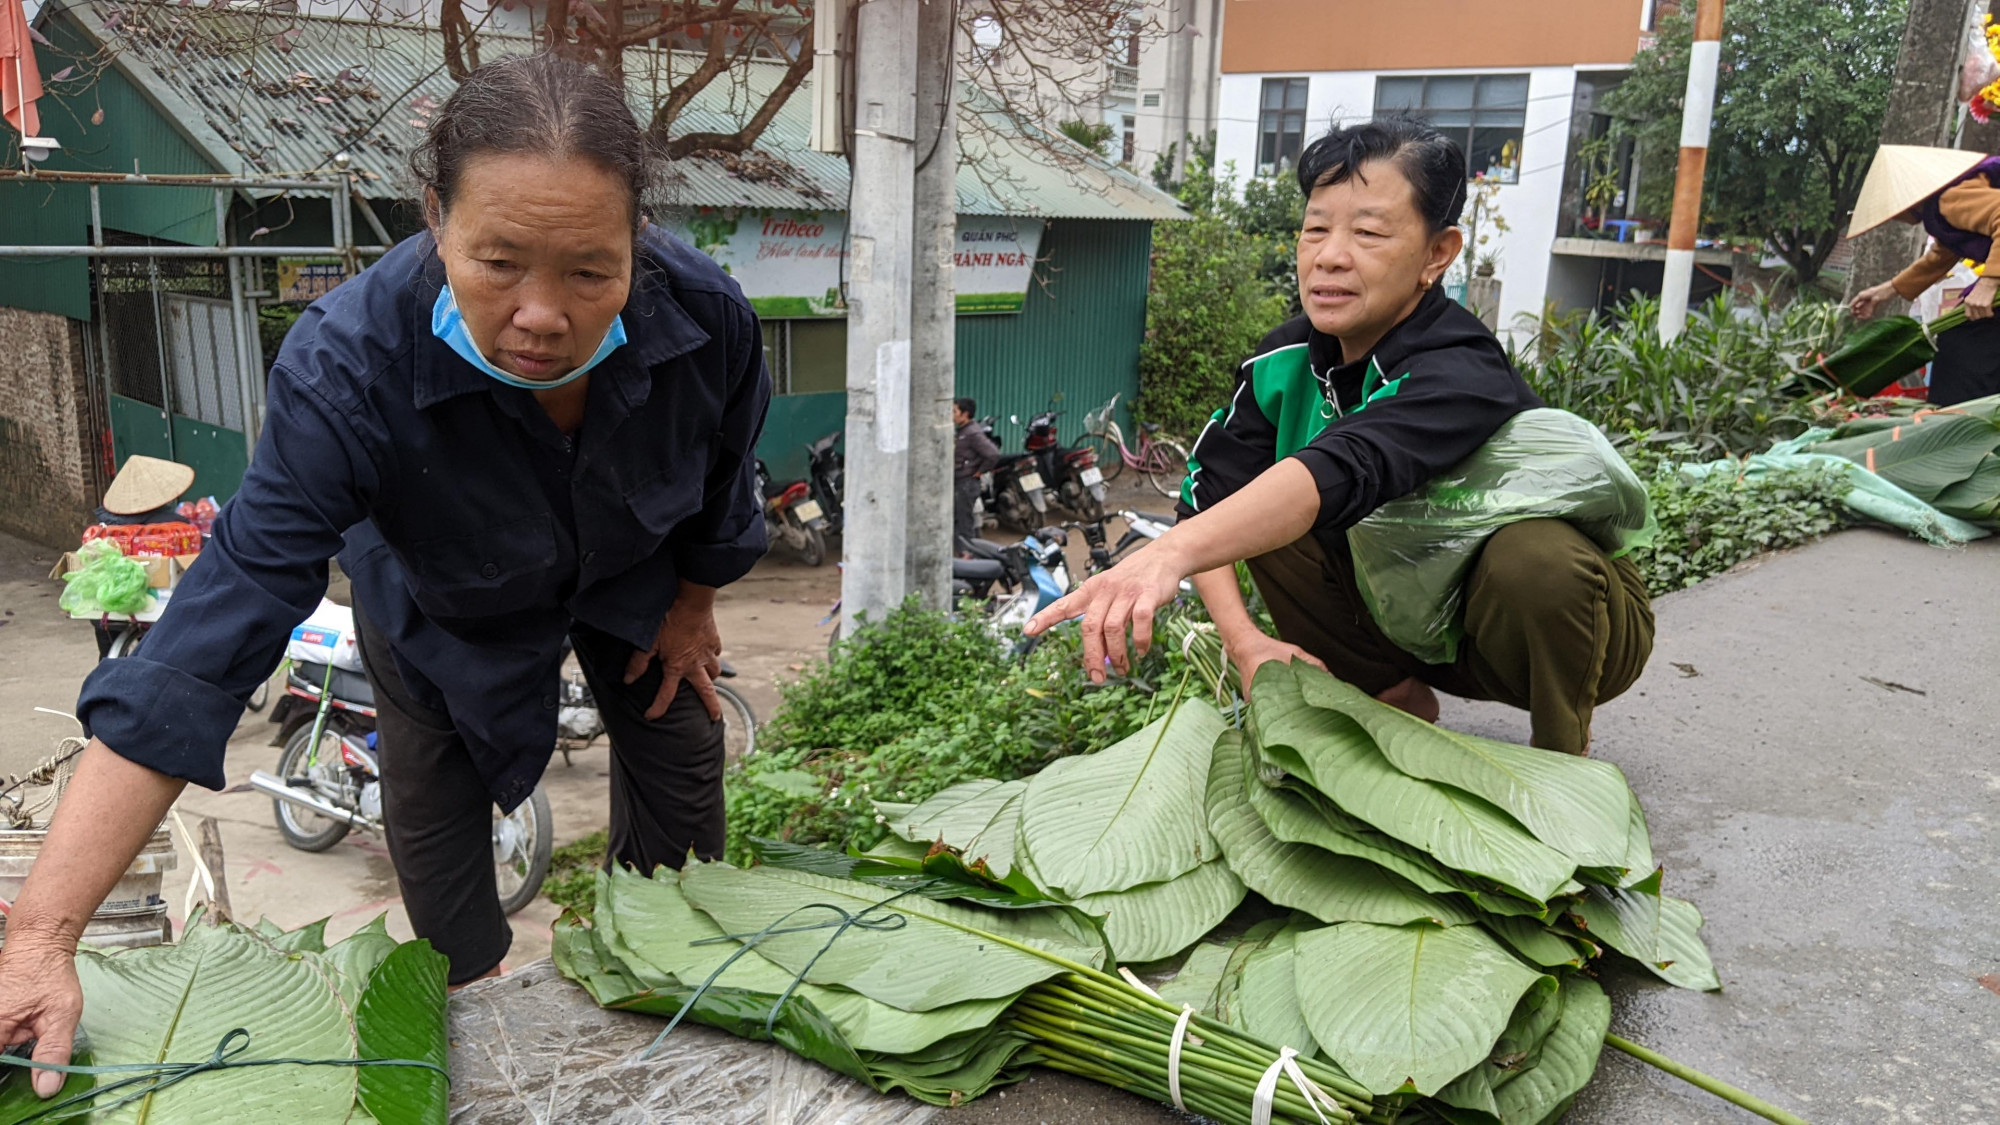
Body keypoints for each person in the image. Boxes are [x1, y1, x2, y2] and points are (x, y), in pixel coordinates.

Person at [0, 53, 771, 1094]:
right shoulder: (346, 364)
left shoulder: (708, 318)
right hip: (443, 603)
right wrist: (43, 936)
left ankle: (667, 997)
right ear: (434, 218)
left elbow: (725, 474)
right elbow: (207, 642)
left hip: (631, 577)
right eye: (498, 262)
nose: (542, 315)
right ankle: (479, 1024)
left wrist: (692, 604)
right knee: (435, 800)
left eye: (589, 272)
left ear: (637, 240)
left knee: (683, 770)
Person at [1025, 118, 1653, 755]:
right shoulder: (1284, 360)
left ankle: (1564, 755)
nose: (1329, 255)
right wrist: (1246, 645)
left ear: (1438, 253)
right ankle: (1393, 695)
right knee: (1255, 507)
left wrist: (1164, 557)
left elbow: (1346, 465)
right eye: (1316, 228)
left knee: (1535, 557)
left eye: (1369, 233)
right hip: (1407, 623)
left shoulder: (1460, 364)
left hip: (1549, 630)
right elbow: (1208, 501)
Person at [1848, 145, 2000, 405]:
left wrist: (1988, 282)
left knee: (1964, 342)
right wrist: (1885, 290)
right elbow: (1940, 256)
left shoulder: (1950, 199)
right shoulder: (1944, 205)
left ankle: (1961, 425)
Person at [953, 397, 1000, 550]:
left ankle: (967, 556)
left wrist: (979, 471)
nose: (951, 415)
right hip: (960, 483)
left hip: (966, 484)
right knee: (958, 519)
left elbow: (993, 454)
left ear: (965, 414)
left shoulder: (972, 433)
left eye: (954, 411)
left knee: (964, 522)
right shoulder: (963, 431)